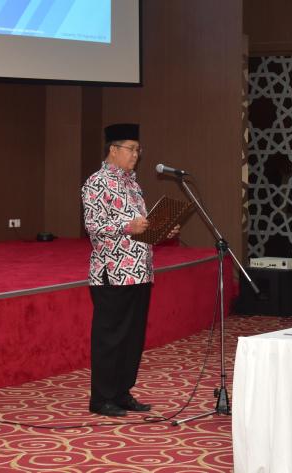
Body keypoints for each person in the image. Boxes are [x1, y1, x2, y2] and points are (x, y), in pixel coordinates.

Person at [81, 123, 179, 417]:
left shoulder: (133, 185)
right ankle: (101, 398)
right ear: (114, 150)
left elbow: (140, 228)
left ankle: (122, 393)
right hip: (113, 272)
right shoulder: (96, 183)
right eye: (132, 149)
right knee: (110, 337)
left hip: (140, 270)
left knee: (132, 337)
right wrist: (128, 226)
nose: (137, 155)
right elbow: (93, 227)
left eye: (138, 150)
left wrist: (160, 230)